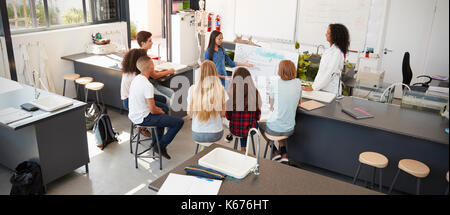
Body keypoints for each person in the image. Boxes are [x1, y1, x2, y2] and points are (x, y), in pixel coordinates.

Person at [128, 56, 184, 159]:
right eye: (152, 64)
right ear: (150, 68)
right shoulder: (147, 85)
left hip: (134, 113)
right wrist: (161, 111)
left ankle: (155, 142)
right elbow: (153, 110)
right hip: (144, 117)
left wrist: (161, 111)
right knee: (179, 122)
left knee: (163, 104)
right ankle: (160, 146)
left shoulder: (137, 79)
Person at [204, 30, 253, 143]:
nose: (221, 41)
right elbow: (208, 71)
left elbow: (231, 63)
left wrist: (244, 64)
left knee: (227, 106)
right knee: (216, 106)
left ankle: (230, 131)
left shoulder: (221, 50)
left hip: (224, 81)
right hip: (214, 81)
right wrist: (222, 77)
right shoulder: (208, 53)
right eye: (219, 39)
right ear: (213, 39)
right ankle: (213, 131)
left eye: (222, 38)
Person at [260, 60, 302, 163]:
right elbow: (299, 102)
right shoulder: (298, 82)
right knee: (279, 120)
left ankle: (274, 151)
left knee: (261, 124)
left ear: (280, 70)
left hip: (275, 128)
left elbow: (271, 105)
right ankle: (283, 151)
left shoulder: (275, 82)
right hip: (290, 129)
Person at [121, 48, 169, 137]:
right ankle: (157, 134)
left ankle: (151, 126)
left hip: (134, 97)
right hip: (131, 101)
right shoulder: (135, 76)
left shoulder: (129, 71)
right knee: (164, 107)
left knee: (162, 99)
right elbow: (154, 76)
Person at [303, 23, 350, 95]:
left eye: (328, 33)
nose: (326, 34)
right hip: (322, 89)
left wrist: (314, 87)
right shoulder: (330, 50)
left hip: (330, 91)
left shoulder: (337, 52)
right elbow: (322, 72)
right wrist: (315, 86)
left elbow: (329, 73)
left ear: (335, 36)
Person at [187, 60, 227, 144]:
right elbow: (223, 114)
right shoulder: (221, 89)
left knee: (205, 146)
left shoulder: (192, 89)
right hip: (215, 134)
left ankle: (205, 150)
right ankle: (207, 150)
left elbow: (189, 113)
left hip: (197, 134)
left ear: (200, 73)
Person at [225, 67, 262, 152]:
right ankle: (243, 149)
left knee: (240, 123)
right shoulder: (255, 94)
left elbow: (228, 117)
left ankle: (242, 148)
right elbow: (258, 117)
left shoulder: (231, 96)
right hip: (250, 131)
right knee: (248, 123)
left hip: (235, 130)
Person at [136, 31, 175, 104]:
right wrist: (169, 71)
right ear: (142, 43)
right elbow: (154, 75)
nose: (152, 43)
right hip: (150, 84)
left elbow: (150, 72)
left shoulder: (143, 54)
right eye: (149, 41)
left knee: (172, 93)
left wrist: (160, 72)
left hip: (152, 83)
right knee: (169, 99)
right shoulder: (143, 57)